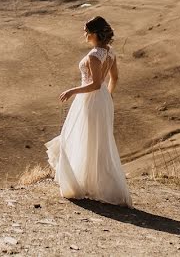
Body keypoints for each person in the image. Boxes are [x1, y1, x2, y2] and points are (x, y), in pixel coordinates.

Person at [45, 16, 133, 206]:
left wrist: (72, 91)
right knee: (96, 141)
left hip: (90, 99)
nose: (85, 35)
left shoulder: (94, 55)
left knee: (80, 137)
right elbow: (114, 78)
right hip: (101, 99)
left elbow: (94, 84)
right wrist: (107, 96)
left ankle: (83, 184)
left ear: (94, 34)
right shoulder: (110, 52)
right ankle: (94, 183)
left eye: (86, 32)